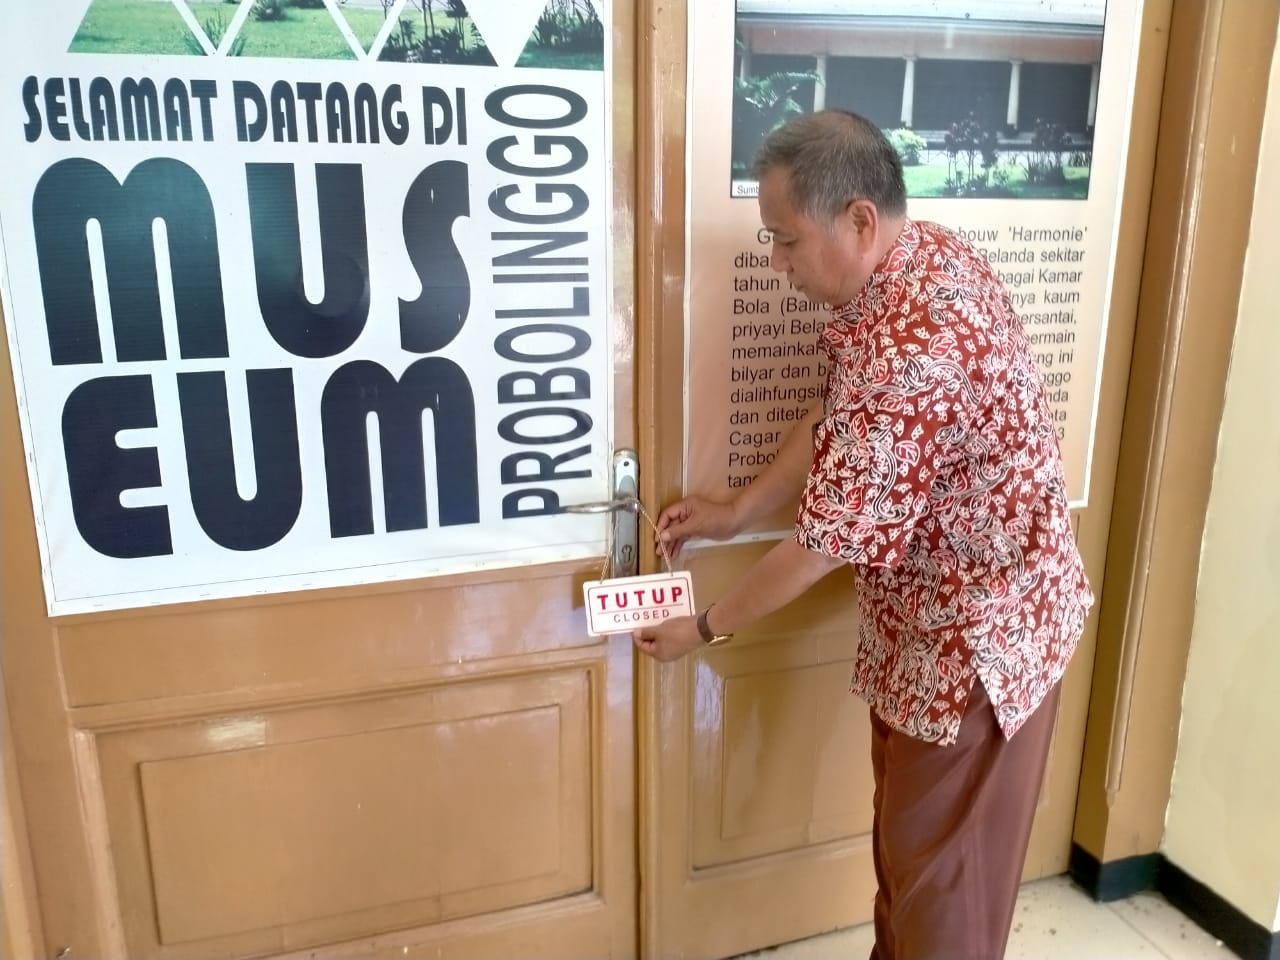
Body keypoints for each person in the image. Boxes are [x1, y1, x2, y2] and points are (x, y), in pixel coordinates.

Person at [634, 110, 1094, 960]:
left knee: (943, 896)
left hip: (975, 652)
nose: (776, 265)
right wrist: (736, 509)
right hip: (927, 635)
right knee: (910, 866)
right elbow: (836, 416)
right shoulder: (910, 264)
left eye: (785, 241)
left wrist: (701, 629)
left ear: (858, 220)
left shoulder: (917, 343)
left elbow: (824, 542)